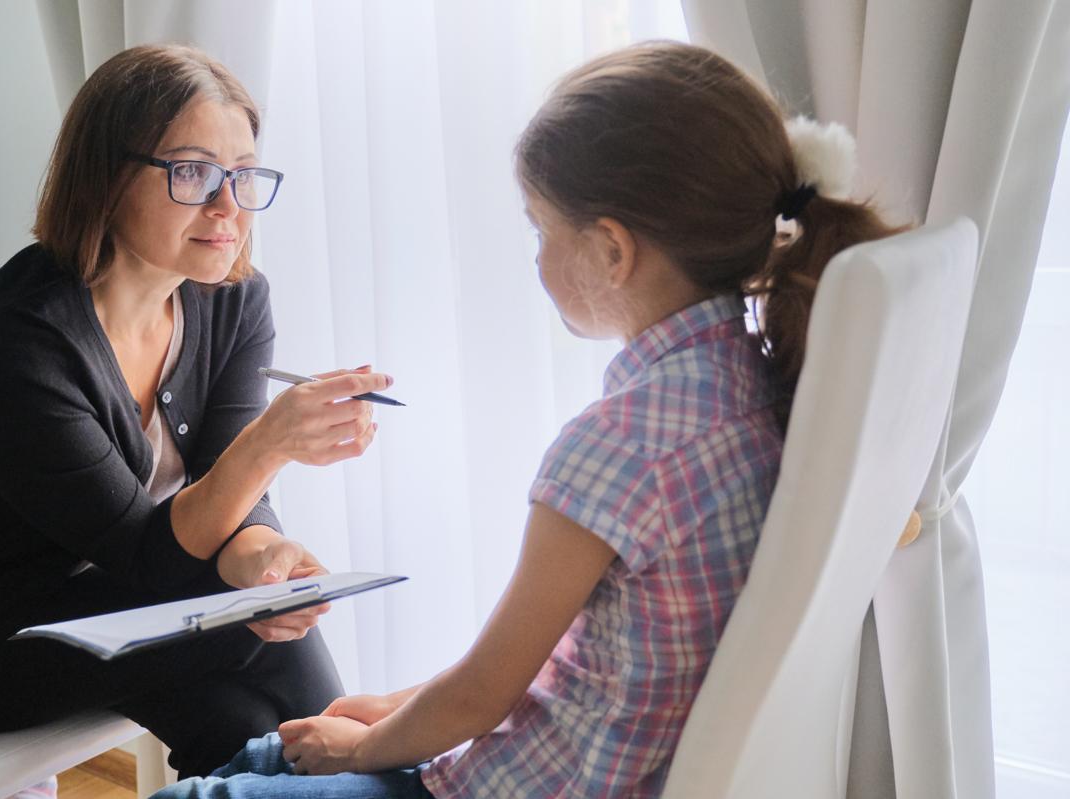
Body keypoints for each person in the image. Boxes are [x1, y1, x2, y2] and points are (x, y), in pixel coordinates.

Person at [154, 40, 903, 799]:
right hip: (580, 758)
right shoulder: (761, 381)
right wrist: (395, 710)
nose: (537, 257)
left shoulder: (619, 445)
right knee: (263, 756)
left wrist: (368, 747)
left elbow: (486, 692)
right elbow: (554, 667)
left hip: (521, 785)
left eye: (542, 231)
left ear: (612, 250)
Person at [0, 44, 392, 781]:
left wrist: (262, 556)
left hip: (108, 599)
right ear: (106, 176)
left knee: (238, 723)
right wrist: (272, 443)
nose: (227, 206)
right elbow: (152, 558)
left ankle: (365, 777)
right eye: (193, 172)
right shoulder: (8, 342)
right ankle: (380, 777)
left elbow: (225, 492)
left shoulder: (231, 298)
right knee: (267, 645)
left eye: (242, 175)